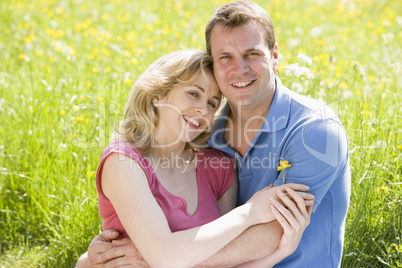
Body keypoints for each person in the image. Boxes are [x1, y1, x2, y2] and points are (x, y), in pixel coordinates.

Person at [80, 0, 351, 267]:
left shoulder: (315, 130)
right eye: (226, 57)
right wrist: (97, 258)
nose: (240, 68)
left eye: (252, 54)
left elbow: (271, 234)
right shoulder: (206, 138)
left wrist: (152, 258)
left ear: (275, 55)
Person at [76, 49, 314, 268]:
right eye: (193, 94)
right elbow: (164, 256)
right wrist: (249, 213)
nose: (203, 109)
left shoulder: (219, 169)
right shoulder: (123, 162)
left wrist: (280, 252)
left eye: (212, 103)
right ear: (158, 95)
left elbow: (225, 262)